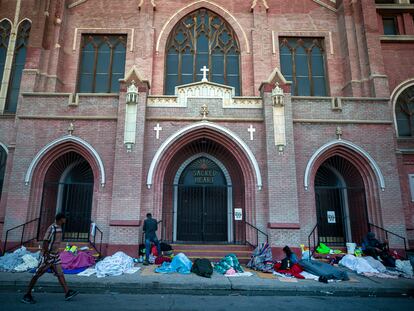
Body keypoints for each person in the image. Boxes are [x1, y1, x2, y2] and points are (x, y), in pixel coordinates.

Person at [21, 213, 78, 304]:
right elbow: (45, 241)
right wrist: (46, 254)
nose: (65, 220)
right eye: (64, 219)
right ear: (60, 219)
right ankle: (27, 295)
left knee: (60, 273)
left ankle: (67, 292)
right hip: (48, 256)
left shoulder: (59, 228)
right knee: (37, 274)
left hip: (55, 256)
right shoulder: (52, 228)